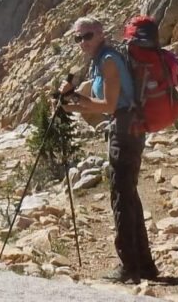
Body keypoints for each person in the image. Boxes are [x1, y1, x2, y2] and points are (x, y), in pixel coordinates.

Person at [59, 16, 158, 283]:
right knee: (128, 195)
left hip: (125, 129)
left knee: (120, 197)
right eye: (78, 38)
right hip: (128, 126)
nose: (82, 43)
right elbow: (104, 104)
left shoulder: (109, 60)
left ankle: (129, 267)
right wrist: (72, 103)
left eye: (87, 36)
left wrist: (75, 102)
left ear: (100, 34)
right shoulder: (102, 59)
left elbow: (110, 105)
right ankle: (145, 265)